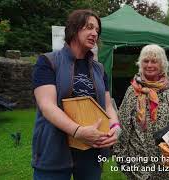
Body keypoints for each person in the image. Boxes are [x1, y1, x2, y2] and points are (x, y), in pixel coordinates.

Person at [32, 9, 120, 180]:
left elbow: (108, 105)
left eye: (97, 30)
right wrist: (78, 131)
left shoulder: (99, 68)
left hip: (91, 150)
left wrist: (115, 128)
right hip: (54, 149)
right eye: (89, 27)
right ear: (74, 28)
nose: (94, 33)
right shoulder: (48, 61)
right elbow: (47, 105)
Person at [113, 44, 169, 179]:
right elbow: (123, 128)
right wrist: (123, 161)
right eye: (145, 61)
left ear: (162, 65)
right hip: (141, 170)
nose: (149, 65)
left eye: (154, 61)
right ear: (140, 64)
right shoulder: (132, 91)